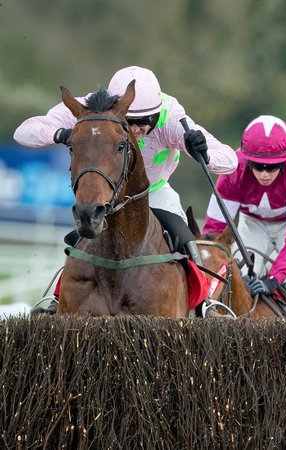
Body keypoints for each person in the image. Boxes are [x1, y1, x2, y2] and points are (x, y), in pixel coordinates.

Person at [14, 65, 238, 316]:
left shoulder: (172, 116)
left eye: (145, 122)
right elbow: (23, 132)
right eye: (129, 121)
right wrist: (63, 133)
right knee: (82, 241)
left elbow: (230, 160)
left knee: (183, 237)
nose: (136, 128)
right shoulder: (92, 109)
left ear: (156, 114)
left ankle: (204, 307)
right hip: (109, 194)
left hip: (154, 192)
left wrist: (203, 152)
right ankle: (58, 301)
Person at [202, 115, 286, 317]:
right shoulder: (233, 171)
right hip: (252, 224)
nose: (264, 174)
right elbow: (213, 232)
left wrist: (273, 278)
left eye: (272, 167)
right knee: (234, 276)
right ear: (246, 158)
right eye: (257, 165)